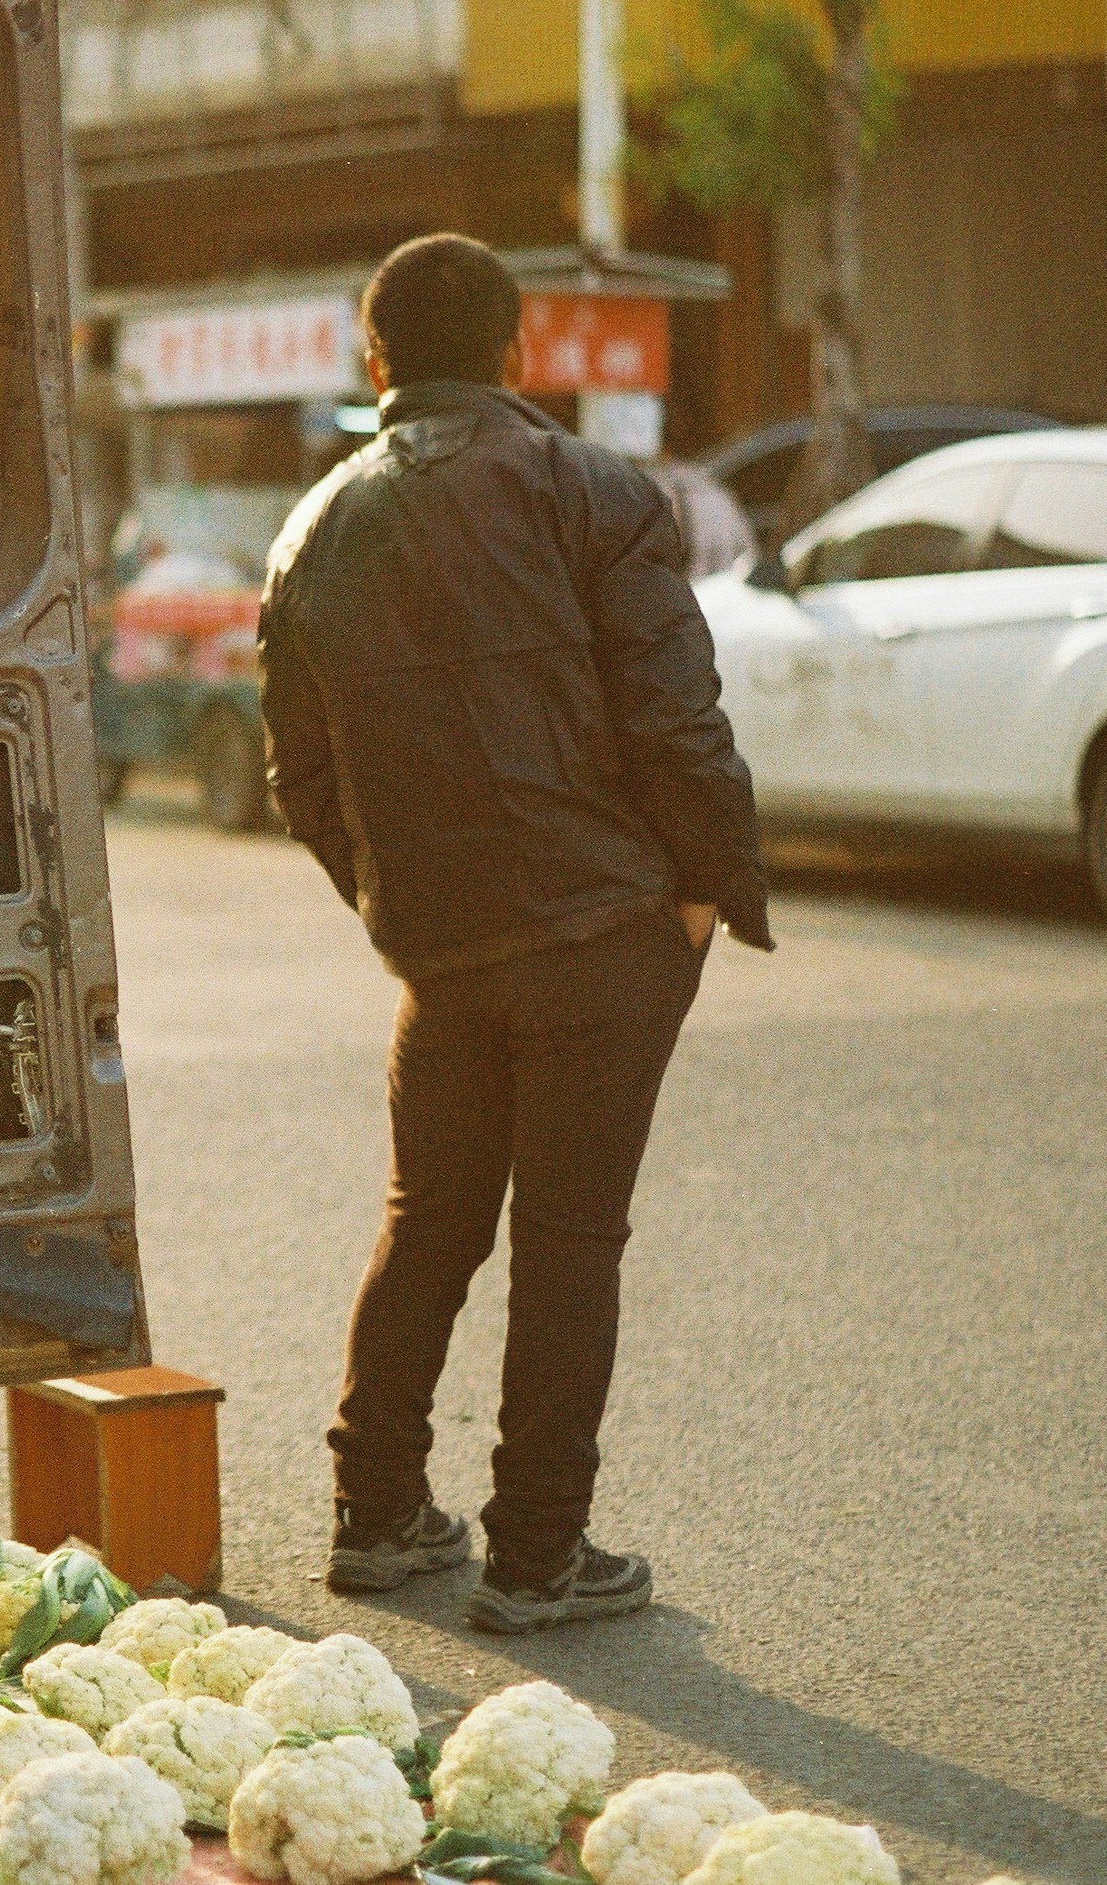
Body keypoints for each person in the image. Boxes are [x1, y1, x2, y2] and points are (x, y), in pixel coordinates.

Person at [257, 234, 772, 1633]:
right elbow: (676, 718)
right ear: (517, 349)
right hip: (605, 932)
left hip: (444, 951)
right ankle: (539, 1553)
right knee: (566, 1238)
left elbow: (302, 782)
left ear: (375, 364)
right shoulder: (593, 490)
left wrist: (393, 899)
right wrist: (706, 889)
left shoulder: (315, 530)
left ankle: (377, 1516)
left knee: (430, 1221)